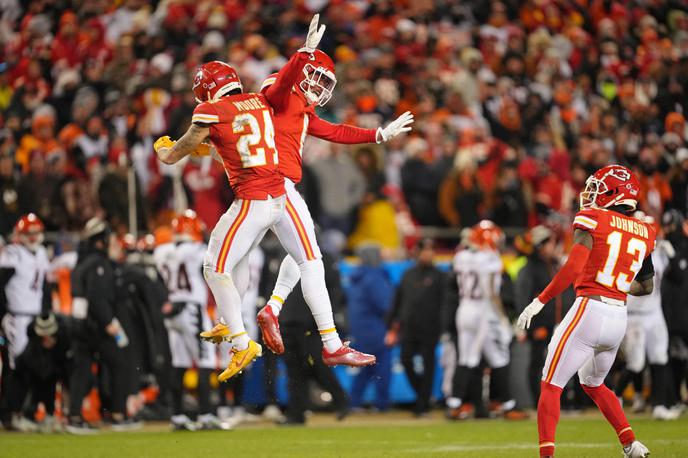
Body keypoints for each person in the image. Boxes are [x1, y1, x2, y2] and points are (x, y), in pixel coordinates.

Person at [157, 16, 375, 380]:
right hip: (279, 192)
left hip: (256, 198)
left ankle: (242, 343)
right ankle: (302, 333)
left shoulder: (212, 109)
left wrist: (171, 154)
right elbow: (241, 145)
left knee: (216, 265)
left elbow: (194, 141)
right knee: (274, 259)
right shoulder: (260, 103)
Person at [203, 31, 413, 363]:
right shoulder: (280, 94)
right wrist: (303, 54)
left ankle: (263, 312)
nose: (320, 86)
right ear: (300, 73)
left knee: (294, 254)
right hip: (275, 187)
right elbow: (281, 85)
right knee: (309, 261)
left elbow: (335, 130)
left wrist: (378, 133)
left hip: (271, 190)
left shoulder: (299, 107)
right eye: (316, 77)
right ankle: (330, 344)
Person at [518, 165, 656, 458]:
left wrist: (540, 300)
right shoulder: (645, 230)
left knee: (550, 385)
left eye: (598, 189)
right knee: (593, 383)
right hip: (618, 315)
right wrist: (616, 281)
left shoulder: (594, 218)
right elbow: (646, 287)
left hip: (589, 310)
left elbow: (573, 267)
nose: (591, 195)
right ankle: (631, 444)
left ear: (615, 193)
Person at [153, 210, 225, 431]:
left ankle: (178, 417)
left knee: (180, 363)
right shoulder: (197, 250)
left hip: (173, 311)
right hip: (192, 308)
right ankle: (206, 415)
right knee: (205, 362)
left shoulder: (162, 251)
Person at [67, 217, 139, 433]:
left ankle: (74, 417)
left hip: (79, 323)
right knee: (119, 364)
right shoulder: (99, 264)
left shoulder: (81, 262)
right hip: (95, 325)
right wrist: (108, 322)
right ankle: (117, 414)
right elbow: (97, 297)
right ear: (101, 241)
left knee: (80, 370)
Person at [446, 221, 519, 420]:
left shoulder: (460, 257)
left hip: (464, 309)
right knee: (500, 357)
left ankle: (455, 404)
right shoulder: (491, 260)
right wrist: (503, 320)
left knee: (467, 359)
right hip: (483, 312)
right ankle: (508, 405)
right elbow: (491, 294)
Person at [615, 221, 678, 420]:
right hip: (635, 316)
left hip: (654, 313)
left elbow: (677, 276)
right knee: (636, 363)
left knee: (660, 357)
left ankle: (659, 406)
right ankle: (614, 397)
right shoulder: (627, 253)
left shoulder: (658, 254)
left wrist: (673, 257)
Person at [0, 214, 51, 431]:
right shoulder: (12, 254)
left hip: (36, 317)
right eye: (28, 233)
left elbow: (45, 289)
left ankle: (29, 411)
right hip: (17, 316)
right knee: (16, 366)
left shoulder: (41, 253)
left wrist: (48, 315)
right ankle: (10, 414)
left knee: (38, 367)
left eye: (35, 233)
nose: (33, 237)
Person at [515, 225, 575, 403]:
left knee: (558, 365)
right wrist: (527, 326)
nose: (554, 247)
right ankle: (537, 401)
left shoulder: (555, 265)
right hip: (540, 324)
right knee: (538, 364)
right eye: (550, 243)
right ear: (540, 246)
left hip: (559, 324)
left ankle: (559, 402)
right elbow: (522, 297)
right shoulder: (530, 268)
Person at [386, 239, 445, 416]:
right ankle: (423, 396)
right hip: (409, 328)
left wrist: (443, 327)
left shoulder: (440, 276)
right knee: (405, 360)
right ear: (417, 252)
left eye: (431, 250)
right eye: (424, 250)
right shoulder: (408, 274)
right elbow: (398, 301)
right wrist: (392, 324)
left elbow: (444, 305)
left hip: (430, 328)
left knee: (429, 367)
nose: (428, 254)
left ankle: (423, 405)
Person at [348, 243, 394, 411]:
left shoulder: (356, 277)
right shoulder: (374, 277)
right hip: (376, 329)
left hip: (359, 330)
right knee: (382, 368)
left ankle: (353, 402)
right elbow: (385, 305)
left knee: (364, 368)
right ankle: (382, 405)